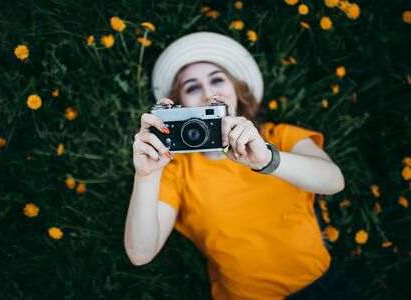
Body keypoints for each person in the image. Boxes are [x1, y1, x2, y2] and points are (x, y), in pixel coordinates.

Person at [125, 32, 364, 300]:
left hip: (325, 288)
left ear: (236, 90)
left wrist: (267, 160)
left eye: (217, 80)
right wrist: (146, 176)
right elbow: (140, 253)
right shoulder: (175, 171)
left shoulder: (280, 137)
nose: (208, 93)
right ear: (180, 108)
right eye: (192, 88)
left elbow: (334, 181)